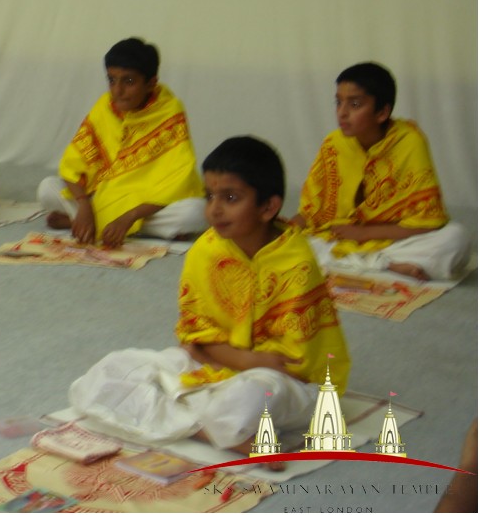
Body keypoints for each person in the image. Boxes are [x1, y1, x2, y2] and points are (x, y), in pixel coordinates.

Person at [69, 136, 350, 453]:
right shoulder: (206, 250)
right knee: (110, 371)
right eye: (209, 196)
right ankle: (212, 430)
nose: (214, 209)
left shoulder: (296, 262)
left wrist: (236, 361)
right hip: (212, 367)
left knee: (254, 394)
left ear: (268, 207)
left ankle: (205, 421)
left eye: (230, 197)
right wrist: (240, 357)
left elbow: (286, 365)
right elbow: (193, 336)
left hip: (278, 385)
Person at [289, 62, 469, 282]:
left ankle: (362, 263)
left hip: (389, 239)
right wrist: (282, 230)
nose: (342, 113)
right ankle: (385, 265)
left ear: (382, 112)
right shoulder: (333, 144)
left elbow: (427, 222)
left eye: (354, 104)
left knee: (456, 238)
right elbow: (312, 214)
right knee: (289, 242)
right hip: (335, 238)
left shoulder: (410, 141)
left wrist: (363, 234)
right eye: (338, 102)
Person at [38, 37, 205, 247]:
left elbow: (178, 181)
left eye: (128, 81)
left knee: (196, 212)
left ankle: (93, 223)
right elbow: (74, 164)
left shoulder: (170, 111)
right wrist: (83, 206)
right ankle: (104, 222)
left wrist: (129, 216)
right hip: (102, 195)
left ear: (151, 83)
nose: (117, 91)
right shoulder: (104, 106)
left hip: (147, 201)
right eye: (111, 80)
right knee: (47, 188)